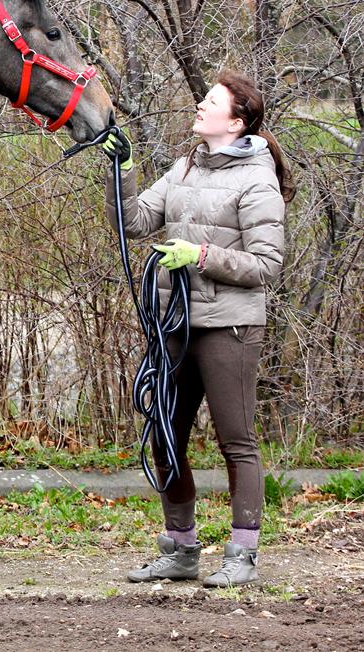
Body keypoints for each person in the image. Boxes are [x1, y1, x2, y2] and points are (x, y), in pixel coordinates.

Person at [102, 71, 293, 587]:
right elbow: (135, 222)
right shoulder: (185, 165)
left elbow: (266, 265)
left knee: (237, 442)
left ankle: (242, 553)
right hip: (177, 324)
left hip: (230, 326)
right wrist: (123, 170)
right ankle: (182, 549)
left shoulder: (257, 178)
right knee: (165, 435)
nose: (199, 105)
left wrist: (200, 255)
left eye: (210, 101)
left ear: (235, 121)